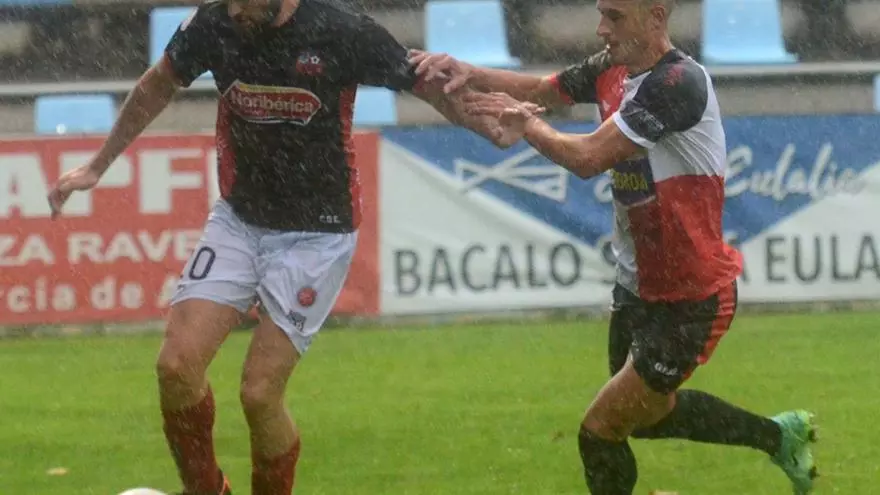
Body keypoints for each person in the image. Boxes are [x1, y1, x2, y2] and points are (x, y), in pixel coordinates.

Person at [45, 1, 530, 494]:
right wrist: (98, 165)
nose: (235, 9)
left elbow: (428, 86)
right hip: (240, 219)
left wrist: (487, 127)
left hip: (318, 235)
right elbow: (158, 83)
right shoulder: (214, 22)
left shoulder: (341, 31)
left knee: (259, 394)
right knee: (175, 367)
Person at [409, 0, 818, 493]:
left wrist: (528, 126)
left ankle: (778, 437)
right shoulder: (612, 67)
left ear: (656, 17)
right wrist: (468, 72)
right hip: (636, 284)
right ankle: (779, 436)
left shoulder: (677, 84)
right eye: (602, 13)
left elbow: (588, 158)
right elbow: (543, 90)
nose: (601, 28)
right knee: (645, 418)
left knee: (599, 431)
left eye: (615, 16)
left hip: (691, 296)